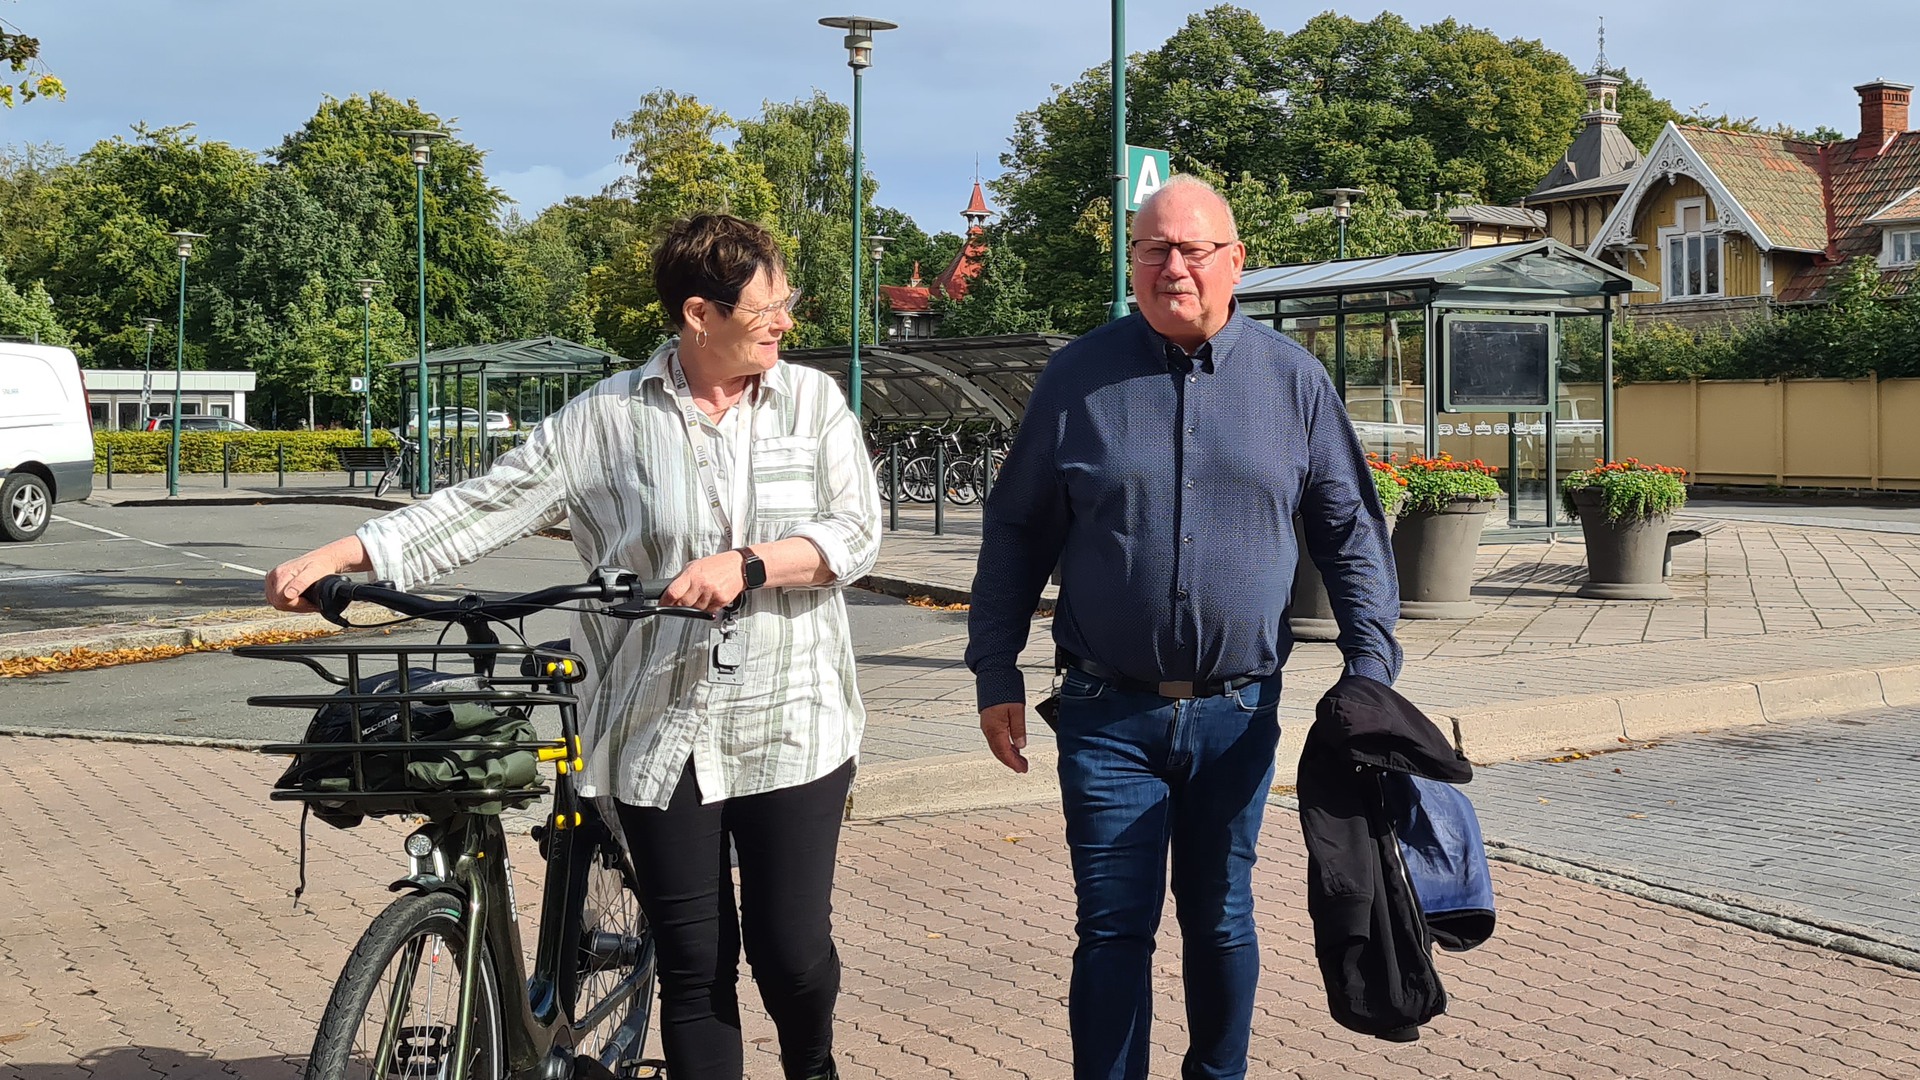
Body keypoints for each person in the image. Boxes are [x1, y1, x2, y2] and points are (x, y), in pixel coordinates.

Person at [264, 213, 882, 1080]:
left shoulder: (812, 402)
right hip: (656, 731)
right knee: (695, 967)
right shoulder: (606, 418)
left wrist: (750, 565)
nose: (786, 321)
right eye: (769, 306)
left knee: (793, 955)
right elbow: (487, 503)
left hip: (793, 716)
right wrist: (347, 554)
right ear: (699, 314)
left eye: (788, 302)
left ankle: (811, 1065)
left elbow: (855, 534)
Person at [965, 174, 1403, 1080]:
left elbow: (1349, 531)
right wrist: (993, 669)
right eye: (1151, 249)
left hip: (1239, 714)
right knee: (1114, 928)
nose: (1172, 266)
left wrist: (1371, 668)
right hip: (1104, 713)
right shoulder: (1077, 376)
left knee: (1221, 917)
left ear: (1234, 262)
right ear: (1132, 262)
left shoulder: (1293, 382)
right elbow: (1017, 528)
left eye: (1192, 249)